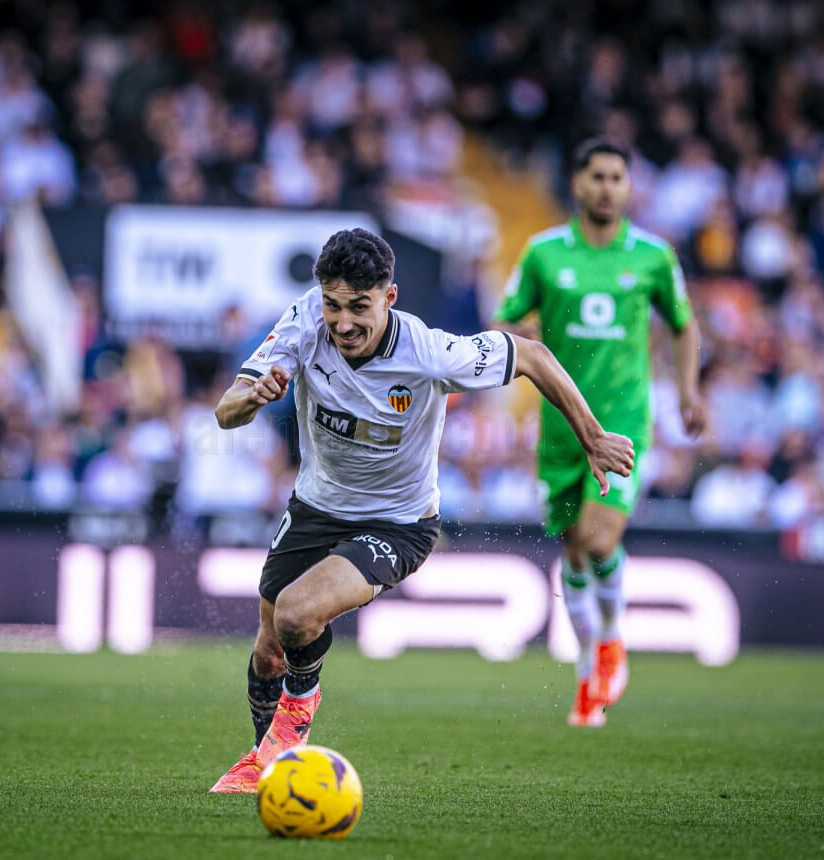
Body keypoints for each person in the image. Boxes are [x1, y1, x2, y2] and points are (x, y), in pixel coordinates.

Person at [210, 228, 634, 792]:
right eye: (333, 306)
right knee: (268, 654)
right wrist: (253, 398)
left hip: (399, 523)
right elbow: (225, 411)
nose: (343, 323)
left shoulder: (433, 352)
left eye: (359, 307)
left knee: (296, 615)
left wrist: (592, 436)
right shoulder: (303, 322)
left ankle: (288, 741)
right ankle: (272, 765)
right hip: (314, 507)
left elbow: (531, 354)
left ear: (389, 297)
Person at [493, 138, 705, 728]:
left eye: (618, 177)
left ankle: (611, 640)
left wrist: (688, 391)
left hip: (625, 419)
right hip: (560, 424)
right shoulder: (542, 253)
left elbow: (684, 327)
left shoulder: (654, 256)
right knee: (574, 547)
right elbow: (505, 320)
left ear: (628, 187)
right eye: (598, 176)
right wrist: (523, 329)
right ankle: (589, 666)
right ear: (578, 184)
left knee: (598, 537)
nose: (608, 186)